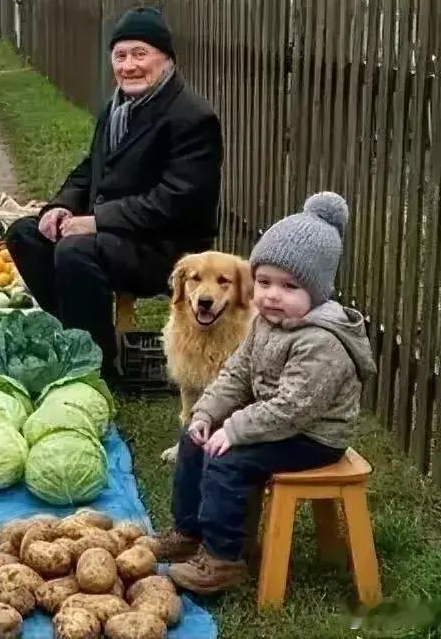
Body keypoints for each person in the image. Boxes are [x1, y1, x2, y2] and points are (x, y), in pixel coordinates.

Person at [164, 192, 376, 595]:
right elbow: (236, 374)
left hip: (313, 436)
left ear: (318, 292)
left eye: (289, 286)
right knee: (195, 438)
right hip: (279, 421)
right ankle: (188, 532)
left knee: (230, 460)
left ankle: (223, 558)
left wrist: (237, 430)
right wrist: (206, 414)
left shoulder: (321, 342)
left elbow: (292, 409)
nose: (272, 295)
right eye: (264, 282)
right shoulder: (266, 324)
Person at [5, 6, 222, 373]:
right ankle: (76, 338)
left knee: (76, 250)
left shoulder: (192, 118)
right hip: (119, 236)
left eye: (141, 54)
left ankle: (95, 369)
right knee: (25, 233)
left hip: (166, 246)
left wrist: (97, 222)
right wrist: (58, 207)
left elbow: (177, 201)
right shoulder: (117, 108)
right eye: (120, 56)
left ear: (166, 59)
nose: (128, 66)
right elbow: (90, 169)